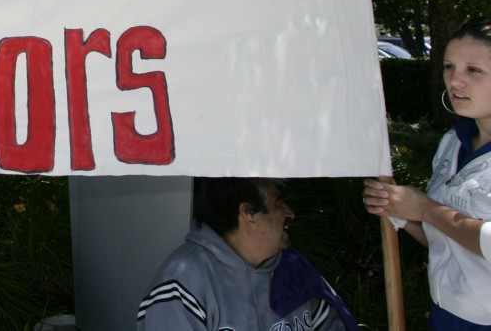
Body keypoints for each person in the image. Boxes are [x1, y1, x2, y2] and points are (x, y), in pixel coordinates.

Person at [363, 16, 491, 330]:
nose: (455, 81)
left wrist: (425, 209)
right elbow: (445, 240)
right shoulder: (452, 142)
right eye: (449, 67)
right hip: (446, 315)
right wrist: (401, 212)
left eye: (473, 70)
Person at [138, 177, 356, 330]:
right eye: (279, 204)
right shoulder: (183, 283)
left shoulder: (293, 269)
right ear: (248, 212)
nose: (290, 214)